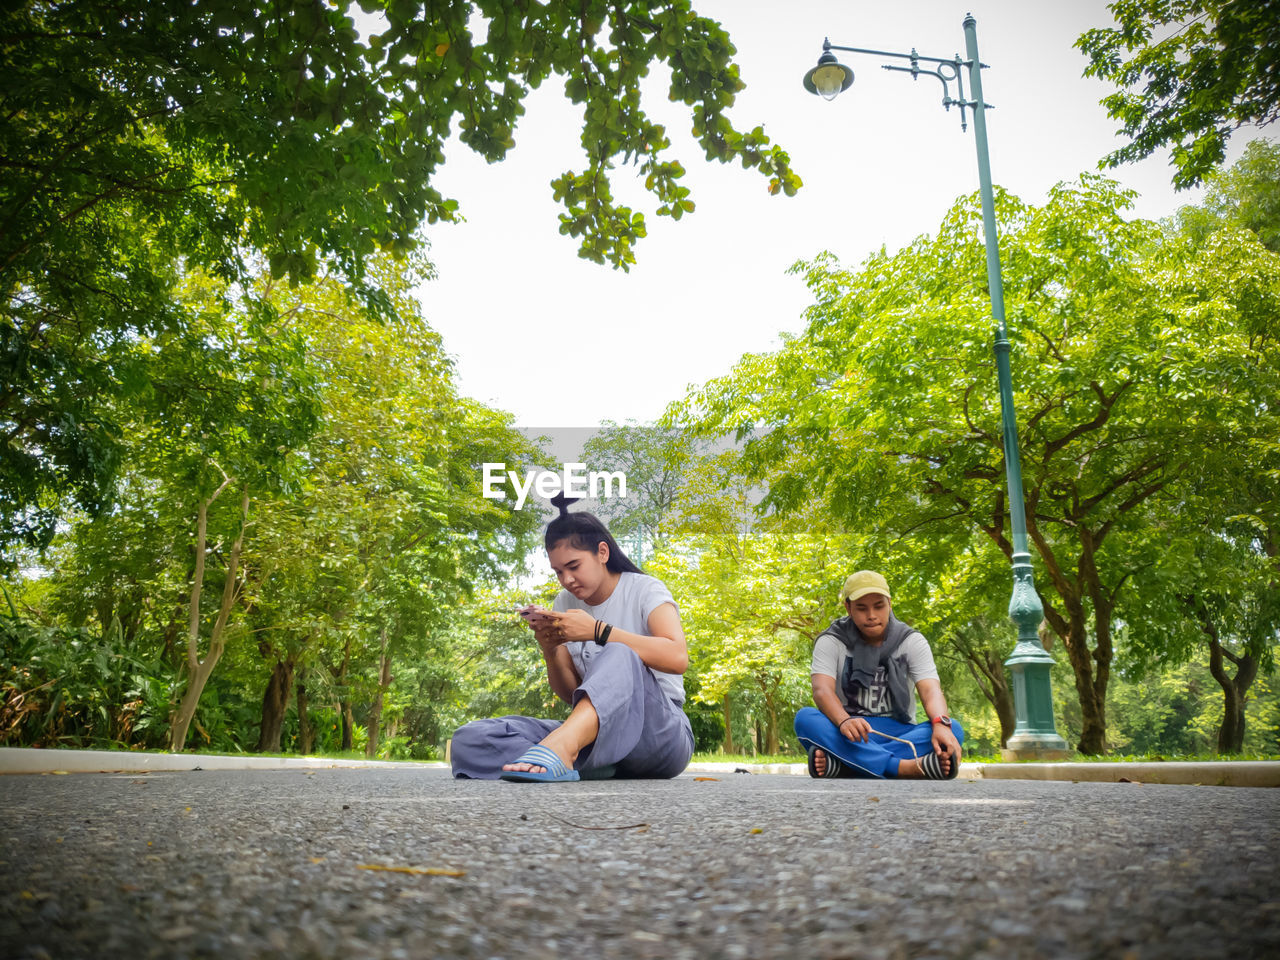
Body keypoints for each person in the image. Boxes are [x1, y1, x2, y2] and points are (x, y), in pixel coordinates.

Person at [450, 500, 693, 782]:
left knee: (618, 652)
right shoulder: (565, 602)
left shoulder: (645, 589)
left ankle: (563, 750)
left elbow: (678, 657)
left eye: (573, 566)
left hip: (659, 734)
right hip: (595, 734)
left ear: (602, 552)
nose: (567, 579)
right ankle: (580, 763)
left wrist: (598, 631)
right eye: (558, 571)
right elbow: (571, 694)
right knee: (471, 739)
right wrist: (550, 649)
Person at [793, 570, 964, 780]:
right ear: (848, 608)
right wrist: (845, 721)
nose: (872, 615)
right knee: (805, 719)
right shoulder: (831, 640)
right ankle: (903, 768)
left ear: (890, 604)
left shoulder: (911, 641)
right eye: (862, 608)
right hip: (848, 730)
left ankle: (844, 764)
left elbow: (931, 691)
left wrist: (940, 724)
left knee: (953, 729)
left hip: (900, 733)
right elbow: (822, 691)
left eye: (879, 606)